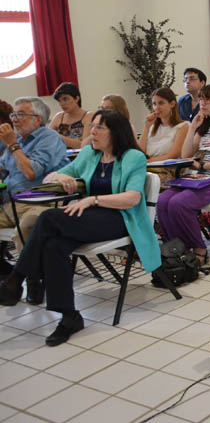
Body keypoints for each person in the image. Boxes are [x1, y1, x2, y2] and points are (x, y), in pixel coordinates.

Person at [0, 110, 160, 346]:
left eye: (99, 128)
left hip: (119, 218)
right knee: (54, 246)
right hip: (89, 217)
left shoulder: (133, 157)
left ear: (116, 132)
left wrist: (93, 200)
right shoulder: (88, 154)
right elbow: (49, 178)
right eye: (92, 126)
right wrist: (60, 178)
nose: (92, 132)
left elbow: (133, 198)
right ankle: (69, 316)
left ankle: (16, 279)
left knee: (48, 219)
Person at [157, 85, 210, 263]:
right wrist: (192, 128)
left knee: (180, 203)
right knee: (163, 200)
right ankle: (176, 247)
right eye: (201, 99)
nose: (202, 103)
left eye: (207, 99)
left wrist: (204, 166)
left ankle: (199, 249)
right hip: (203, 177)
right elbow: (186, 154)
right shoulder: (205, 124)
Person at [0, 97, 69, 280]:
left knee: (27, 226)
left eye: (21, 114)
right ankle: (4, 267)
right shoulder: (18, 141)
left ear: (38, 119)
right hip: (10, 203)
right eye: (13, 114)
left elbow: (30, 173)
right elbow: (3, 169)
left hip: (40, 202)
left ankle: (33, 279)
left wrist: (12, 144)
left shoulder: (48, 138)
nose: (14, 119)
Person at [138, 88, 190, 162]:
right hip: (148, 168)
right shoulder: (152, 127)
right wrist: (146, 127)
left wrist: (148, 162)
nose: (157, 107)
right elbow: (139, 152)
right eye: (154, 104)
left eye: (161, 103)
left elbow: (173, 155)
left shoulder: (183, 126)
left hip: (167, 168)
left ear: (172, 104)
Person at [49, 82, 92, 149]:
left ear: (76, 98)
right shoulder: (59, 116)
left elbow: (84, 145)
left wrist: (57, 137)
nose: (62, 104)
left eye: (65, 99)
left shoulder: (89, 116)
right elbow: (46, 139)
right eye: (59, 101)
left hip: (80, 157)